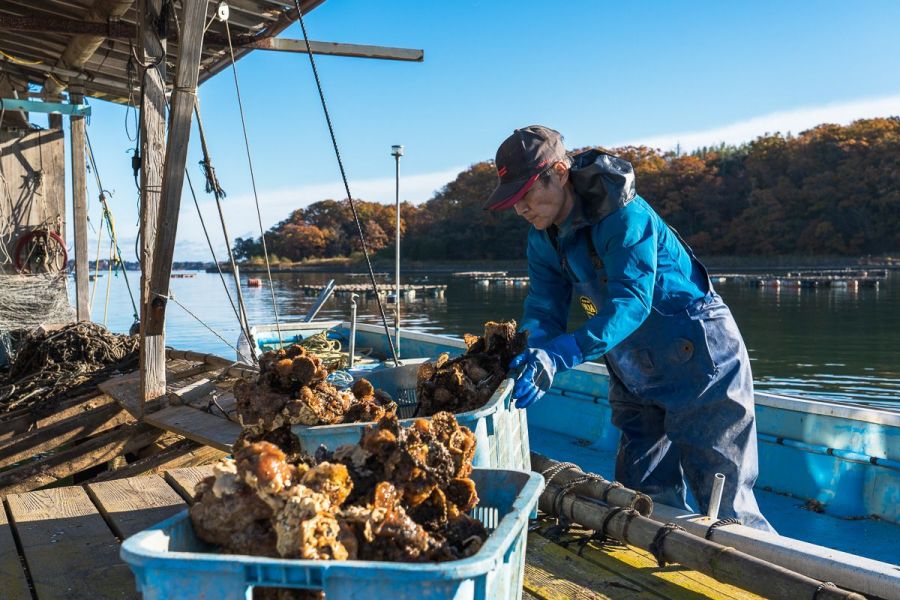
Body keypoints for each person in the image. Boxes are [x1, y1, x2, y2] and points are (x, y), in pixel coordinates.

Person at [484, 125, 773, 531]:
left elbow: (630, 304)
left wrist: (560, 354)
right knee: (642, 502)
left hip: (699, 356)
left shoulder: (624, 215)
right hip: (631, 365)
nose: (521, 209)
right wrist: (531, 352)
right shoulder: (542, 238)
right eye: (513, 201)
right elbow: (544, 308)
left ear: (561, 172)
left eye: (526, 193)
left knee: (725, 510)